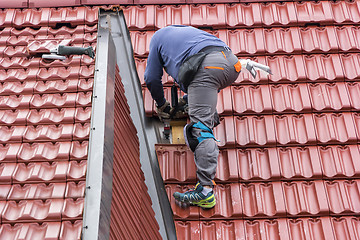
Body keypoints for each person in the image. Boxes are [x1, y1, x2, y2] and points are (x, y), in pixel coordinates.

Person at [144, 25, 270, 209]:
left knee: (200, 129)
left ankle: (205, 191)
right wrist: (187, 101)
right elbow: (206, 75)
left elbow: (151, 78)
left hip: (207, 66)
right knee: (202, 95)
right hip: (231, 62)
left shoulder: (157, 39)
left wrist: (162, 104)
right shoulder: (185, 34)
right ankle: (207, 115)